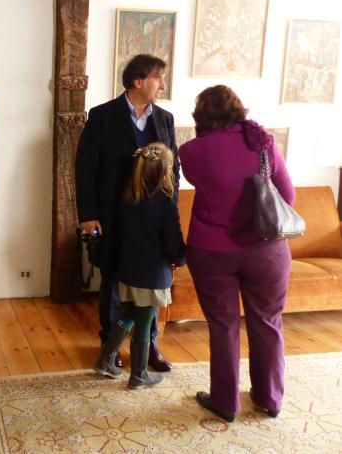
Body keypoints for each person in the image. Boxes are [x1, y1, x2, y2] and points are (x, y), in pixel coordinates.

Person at [179, 85, 294, 422]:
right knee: (268, 323)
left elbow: (199, 179)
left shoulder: (191, 151)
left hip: (212, 251)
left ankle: (225, 401)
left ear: (201, 116)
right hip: (266, 250)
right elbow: (287, 195)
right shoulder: (264, 143)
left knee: (223, 326)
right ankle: (269, 398)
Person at [75, 54, 179, 371]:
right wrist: (88, 215)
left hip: (153, 220)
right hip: (112, 216)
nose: (162, 84)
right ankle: (111, 346)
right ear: (138, 81)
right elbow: (85, 169)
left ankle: (149, 346)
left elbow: (174, 168)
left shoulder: (165, 119)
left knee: (151, 284)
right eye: (158, 78)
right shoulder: (102, 116)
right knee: (114, 281)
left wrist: (170, 213)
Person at [93, 143, 185, 388]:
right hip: (153, 275)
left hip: (129, 271)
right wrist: (181, 258)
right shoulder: (166, 205)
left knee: (130, 314)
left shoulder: (127, 201)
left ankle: (106, 358)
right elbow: (173, 243)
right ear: (167, 173)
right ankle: (139, 375)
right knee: (144, 321)